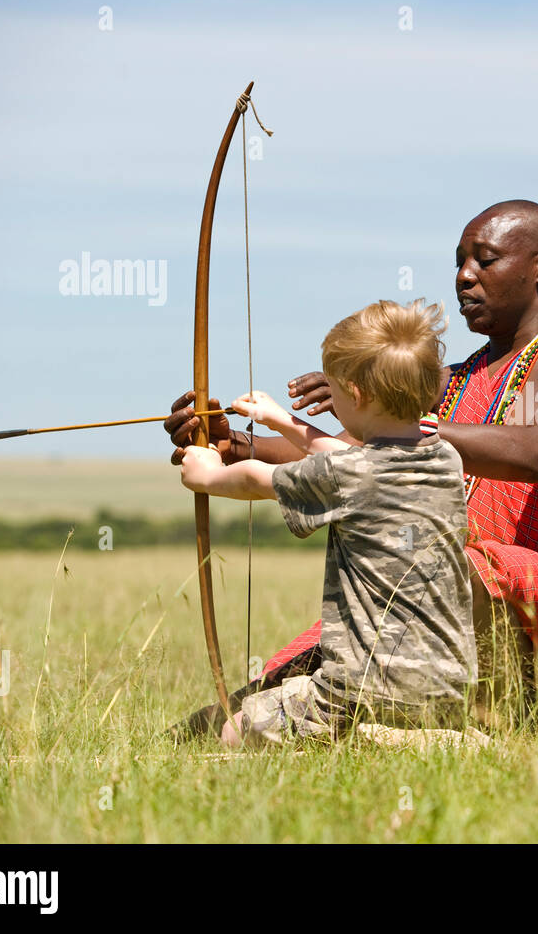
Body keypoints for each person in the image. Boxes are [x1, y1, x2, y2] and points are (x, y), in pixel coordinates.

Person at [167, 201, 538, 732]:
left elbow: (535, 454)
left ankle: (523, 696)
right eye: (460, 262)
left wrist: (388, 425)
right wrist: (233, 445)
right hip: (434, 582)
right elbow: (347, 456)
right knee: (225, 718)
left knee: (448, 561)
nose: (464, 277)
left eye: (485, 261)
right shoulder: (449, 381)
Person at [178, 299, 476, 746]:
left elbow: (258, 478)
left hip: (359, 691)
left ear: (354, 396)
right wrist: (283, 421)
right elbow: (356, 461)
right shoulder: (445, 458)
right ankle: (426, 741)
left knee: (238, 729)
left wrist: (206, 474)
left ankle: (373, 741)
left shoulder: (347, 475)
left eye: (334, 392)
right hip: (449, 691)